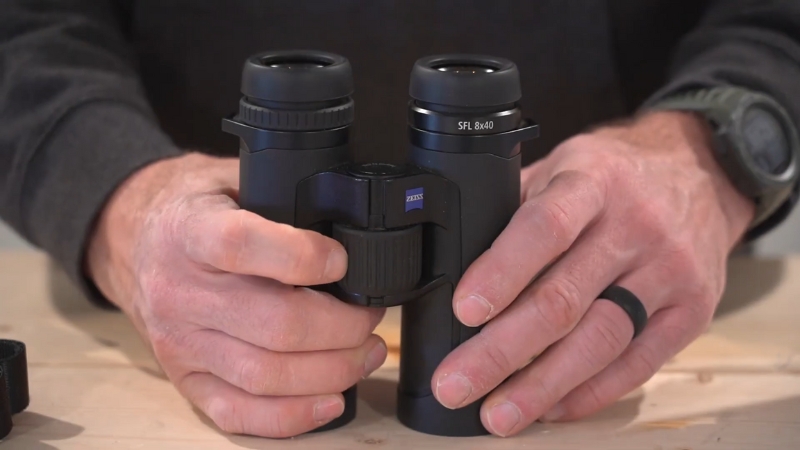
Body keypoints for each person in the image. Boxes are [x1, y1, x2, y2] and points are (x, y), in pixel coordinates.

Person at [1, 0, 799, 439]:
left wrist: (706, 153)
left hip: (591, 302)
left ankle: (436, 398)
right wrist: (117, 199)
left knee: (463, 392)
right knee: (313, 400)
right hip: (208, 315)